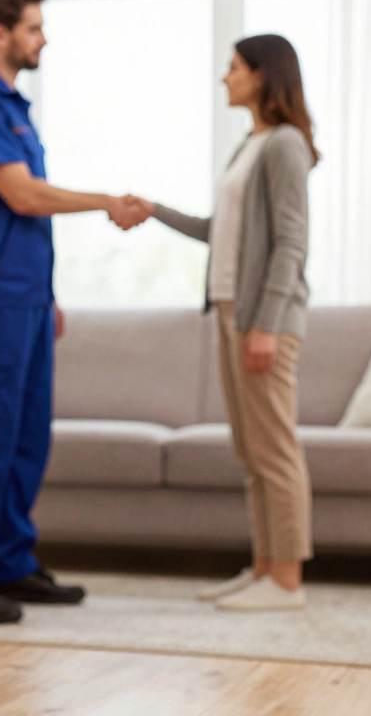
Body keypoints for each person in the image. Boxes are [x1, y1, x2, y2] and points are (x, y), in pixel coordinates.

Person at [0, 0, 146, 625]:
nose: (42, 40)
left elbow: (24, 222)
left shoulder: (14, 111)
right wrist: (105, 200)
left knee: (26, 438)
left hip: (27, 298)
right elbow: (23, 198)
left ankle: (9, 563)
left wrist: (47, 294)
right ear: (0, 33)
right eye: (34, 28)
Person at [126, 34, 318, 611]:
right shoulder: (249, 146)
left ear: (262, 75)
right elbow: (222, 231)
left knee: (274, 448)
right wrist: (154, 210)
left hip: (263, 317)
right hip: (232, 310)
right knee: (250, 449)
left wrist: (266, 324)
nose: (224, 77)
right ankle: (263, 569)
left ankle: (287, 581)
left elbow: (291, 242)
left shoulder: (285, 145)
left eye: (233, 68)